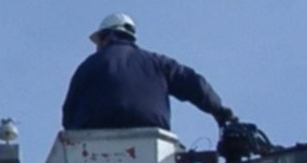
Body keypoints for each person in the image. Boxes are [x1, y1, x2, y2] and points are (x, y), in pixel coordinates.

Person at [61, 12, 235, 132]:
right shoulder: (157, 63)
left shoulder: (88, 66)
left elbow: (69, 113)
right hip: (152, 140)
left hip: (95, 146)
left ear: (106, 37)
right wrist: (219, 111)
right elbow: (194, 84)